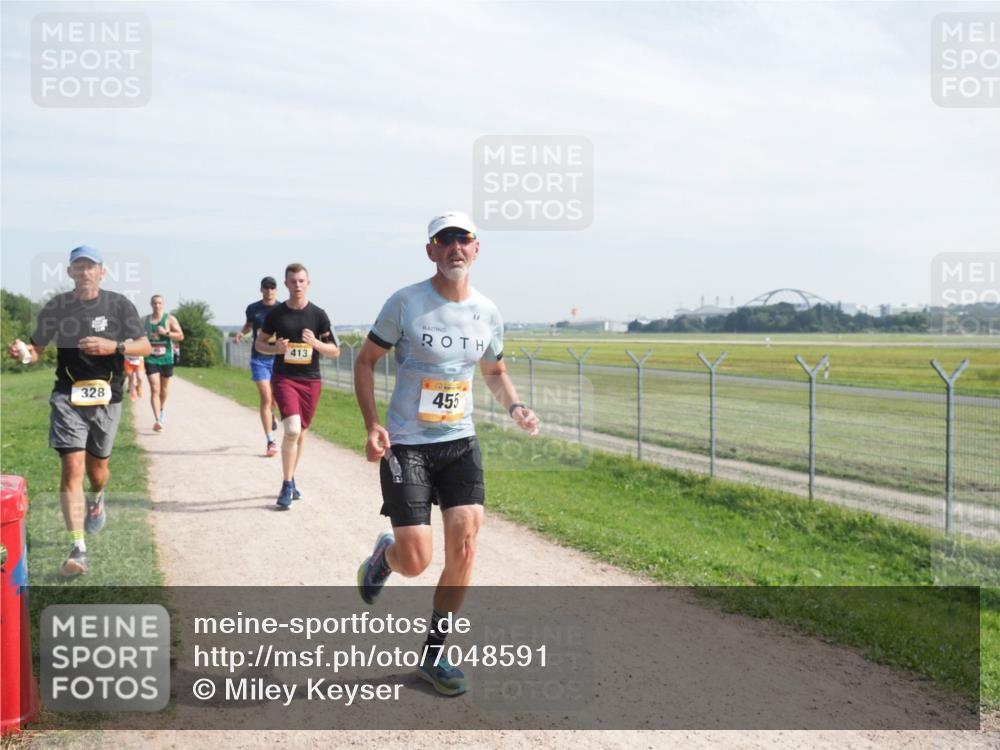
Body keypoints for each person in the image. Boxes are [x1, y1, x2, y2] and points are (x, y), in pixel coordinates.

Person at [354, 211, 539, 696]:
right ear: (431, 250)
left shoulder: (487, 311)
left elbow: (494, 372)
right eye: (445, 240)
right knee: (416, 561)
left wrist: (516, 406)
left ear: (477, 249)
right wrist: (373, 424)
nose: (456, 247)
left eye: (465, 239)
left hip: (459, 442)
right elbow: (366, 361)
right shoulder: (406, 303)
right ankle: (384, 560)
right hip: (407, 444)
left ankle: (435, 653)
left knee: (466, 544)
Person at [7, 246, 150, 577]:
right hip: (67, 394)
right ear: (70, 272)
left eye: (90, 267)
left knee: (97, 471)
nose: (84, 272)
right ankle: (78, 548)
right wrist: (23, 354)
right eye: (78, 267)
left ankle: (97, 498)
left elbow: (142, 345)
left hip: (107, 396)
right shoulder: (58, 307)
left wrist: (113, 346)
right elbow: (36, 349)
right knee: (72, 465)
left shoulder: (118, 305)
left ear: (102, 271)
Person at [255, 263, 340, 508]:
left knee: (300, 432)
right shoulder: (276, 315)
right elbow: (260, 343)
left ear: (308, 283)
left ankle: (291, 478)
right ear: (286, 284)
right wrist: (275, 349)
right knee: (292, 429)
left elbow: (335, 351)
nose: (297, 285)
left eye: (301, 281)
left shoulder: (319, 315)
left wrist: (315, 343)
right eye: (293, 281)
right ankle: (286, 483)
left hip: (311, 380)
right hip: (285, 378)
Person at [235, 276, 280, 456]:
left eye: (272, 288)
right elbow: (249, 325)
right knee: (266, 398)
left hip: (277, 358)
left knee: (275, 399)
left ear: (276, 290)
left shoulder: (282, 309)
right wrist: (241, 333)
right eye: (266, 288)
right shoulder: (253, 308)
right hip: (259, 358)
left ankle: (272, 415)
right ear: (261, 290)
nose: (269, 291)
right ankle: (270, 441)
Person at [143, 294, 184, 432]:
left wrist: (166, 332)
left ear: (163, 304)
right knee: (155, 389)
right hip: (150, 358)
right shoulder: (145, 320)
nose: (157, 305)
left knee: (164, 389)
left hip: (166, 358)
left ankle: (161, 409)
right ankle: (157, 420)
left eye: (159, 303)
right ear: (151, 304)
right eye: (155, 303)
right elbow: (137, 335)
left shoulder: (170, 319)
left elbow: (181, 336)